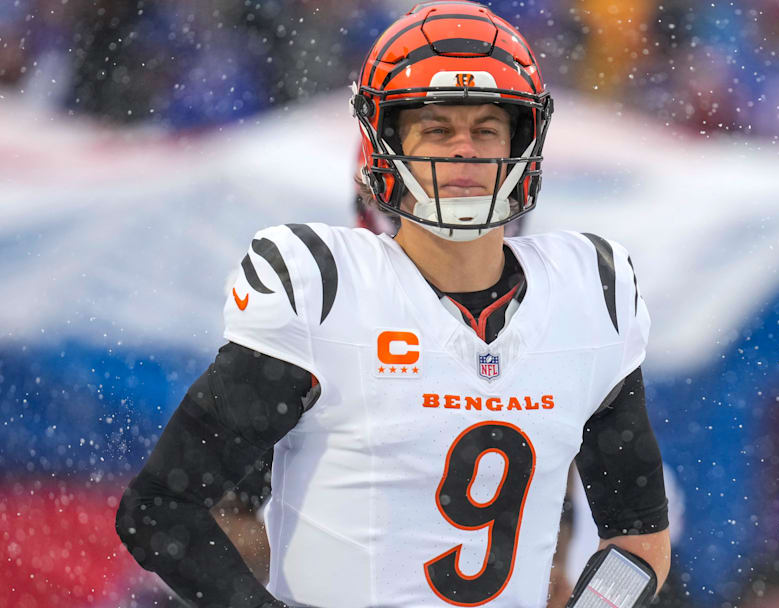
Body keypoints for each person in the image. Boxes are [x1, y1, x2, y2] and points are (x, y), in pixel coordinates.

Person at [115, 2, 670, 606]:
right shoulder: (323, 288)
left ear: (522, 144)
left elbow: (638, 540)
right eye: (437, 129)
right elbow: (160, 506)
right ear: (385, 146)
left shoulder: (589, 293)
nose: (464, 150)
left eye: (487, 129)